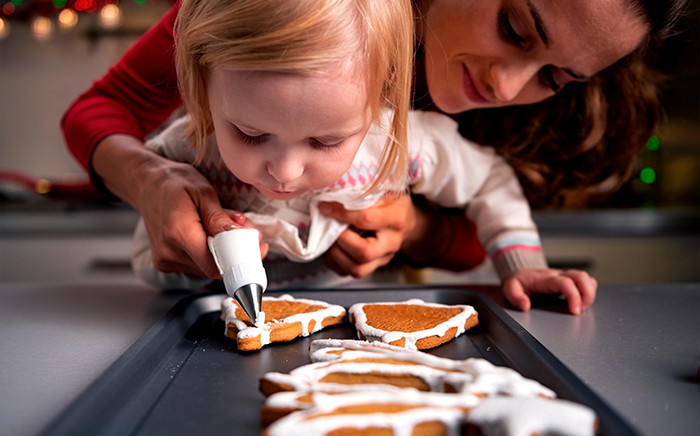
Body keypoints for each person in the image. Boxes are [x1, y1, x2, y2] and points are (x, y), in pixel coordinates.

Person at [61, 0, 687, 314]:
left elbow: (483, 198)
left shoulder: (405, 139)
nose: (503, 89)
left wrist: (415, 227)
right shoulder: (261, 18)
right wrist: (151, 181)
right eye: (516, 28)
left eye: (555, 76)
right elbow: (101, 109)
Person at [133, 0, 557, 297]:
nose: (285, 171)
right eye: (249, 133)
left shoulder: (396, 141)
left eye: (326, 142)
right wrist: (199, 262)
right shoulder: (185, 153)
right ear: (203, 90)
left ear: (382, 96)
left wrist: (525, 267)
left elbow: (489, 180)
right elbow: (149, 263)